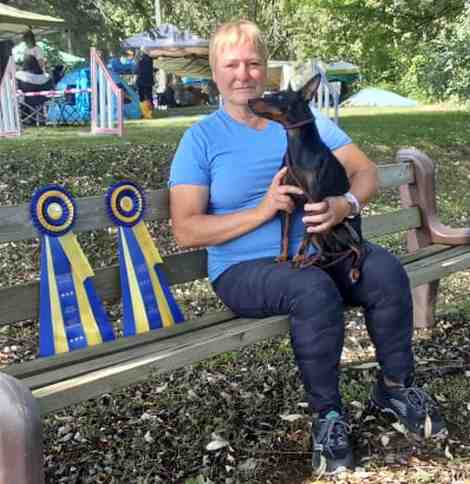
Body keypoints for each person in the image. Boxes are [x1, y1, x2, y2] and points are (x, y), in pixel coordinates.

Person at [169, 20, 447, 474]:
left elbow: (364, 171)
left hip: (322, 252)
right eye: (231, 65)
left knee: (384, 270)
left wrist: (344, 204)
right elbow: (186, 229)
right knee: (312, 290)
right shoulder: (201, 139)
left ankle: (395, 387)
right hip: (244, 268)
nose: (243, 74)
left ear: (266, 69)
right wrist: (262, 211)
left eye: (253, 63)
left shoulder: (299, 118)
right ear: (214, 73)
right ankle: (328, 417)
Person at [16, 55, 53, 126]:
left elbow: (18, 88)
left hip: (27, 100)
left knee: (25, 100)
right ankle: (41, 120)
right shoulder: (45, 76)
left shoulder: (19, 76)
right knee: (40, 103)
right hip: (43, 99)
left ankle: (29, 120)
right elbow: (50, 87)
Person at [135, 49, 155, 119]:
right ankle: (149, 113)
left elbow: (136, 70)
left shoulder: (140, 61)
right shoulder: (150, 59)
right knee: (149, 97)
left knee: (142, 98)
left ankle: (145, 113)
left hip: (142, 81)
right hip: (148, 81)